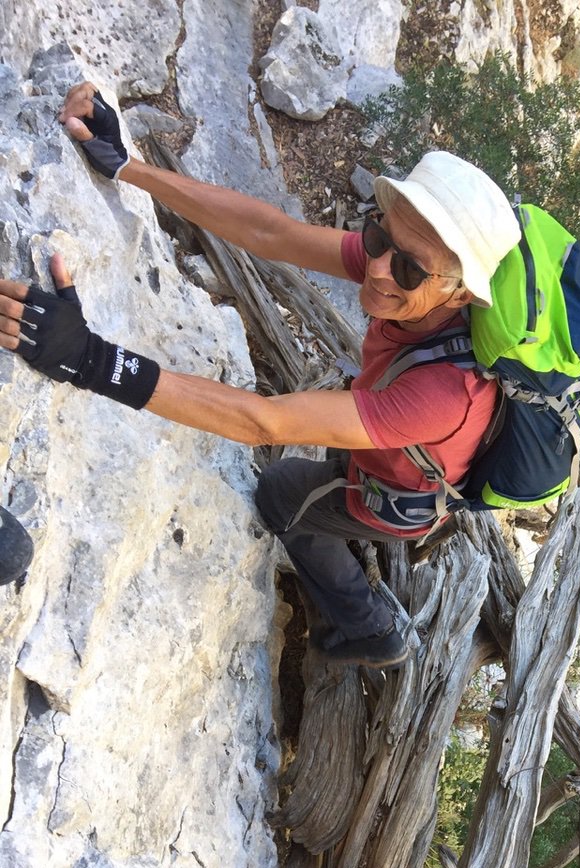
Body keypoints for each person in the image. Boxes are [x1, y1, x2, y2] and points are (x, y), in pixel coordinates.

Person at [0, 84, 521, 667]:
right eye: (377, 237)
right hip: (396, 449)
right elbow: (271, 234)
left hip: (397, 495)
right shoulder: (412, 273)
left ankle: (375, 632)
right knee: (320, 468)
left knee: (282, 494)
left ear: (463, 291)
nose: (375, 268)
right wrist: (129, 168)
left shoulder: (442, 394)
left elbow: (264, 423)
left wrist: (90, 360)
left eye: (405, 267)